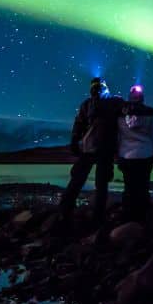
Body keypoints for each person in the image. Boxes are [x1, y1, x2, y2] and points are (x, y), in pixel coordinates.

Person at [58, 77, 123, 226]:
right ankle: (96, 216)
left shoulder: (91, 103)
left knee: (80, 179)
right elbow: (80, 123)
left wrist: (74, 140)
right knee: (99, 182)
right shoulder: (113, 102)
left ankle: (66, 211)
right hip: (103, 148)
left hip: (92, 147)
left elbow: (79, 123)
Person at [116, 84, 153, 223]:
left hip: (127, 156)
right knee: (143, 187)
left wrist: (117, 157)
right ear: (142, 98)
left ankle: (127, 217)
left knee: (129, 187)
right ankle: (143, 218)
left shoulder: (119, 114)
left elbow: (117, 137)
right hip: (145, 155)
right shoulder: (149, 114)